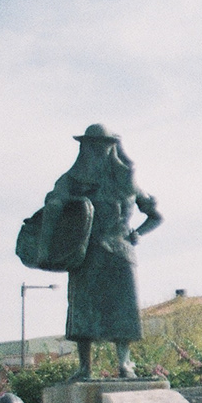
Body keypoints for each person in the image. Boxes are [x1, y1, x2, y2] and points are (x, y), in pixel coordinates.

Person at [44, 124, 162, 379]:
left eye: (104, 145)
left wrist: (138, 233)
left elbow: (155, 215)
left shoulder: (127, 182)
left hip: (120, 254)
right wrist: (59, 203)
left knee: (123, 310)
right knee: (82, 313)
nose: (98, 150)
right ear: (84, 147)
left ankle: (125, 364)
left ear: (112, 148)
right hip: (86, 254)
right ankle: (84, 367)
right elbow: (53, 202)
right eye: (93, 145)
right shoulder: (72, 181)